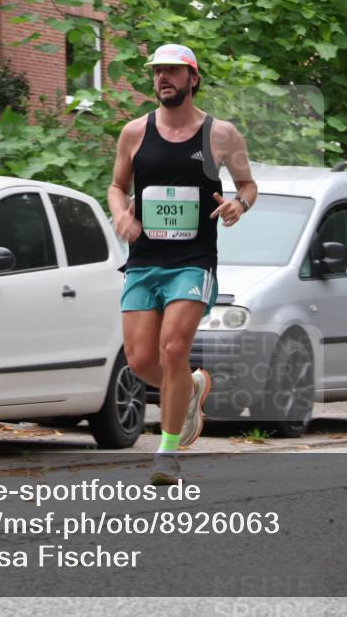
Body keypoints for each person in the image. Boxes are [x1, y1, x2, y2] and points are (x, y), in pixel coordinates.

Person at [108, 44, 257, 484]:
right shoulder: (134, 132)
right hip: (144, 260)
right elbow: (118, 186)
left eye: (173, 71)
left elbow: (247, 184)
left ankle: (167, 454)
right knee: (139, 360)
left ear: (194, 78)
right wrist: (120, 214)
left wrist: (238, 205)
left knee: (173, 348)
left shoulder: (221, 135)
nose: (163, 79)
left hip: (193, 261)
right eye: (158, 72)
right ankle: (190, 388)